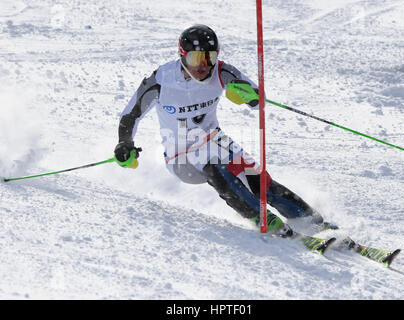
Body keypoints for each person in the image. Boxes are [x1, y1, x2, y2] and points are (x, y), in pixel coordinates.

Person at [114, 25, 335, 237]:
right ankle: (262, 219)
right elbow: (130, 115)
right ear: (182, 56)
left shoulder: (221, 71)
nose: (203, 66)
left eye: (209, 58)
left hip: (216, 142)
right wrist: (124, 143)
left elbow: (257, 99)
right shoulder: (161, 80)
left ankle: (312, 221)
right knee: (214, 162)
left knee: (258, 180)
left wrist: (248, 95)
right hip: (181, 156)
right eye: (195, 59)